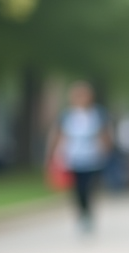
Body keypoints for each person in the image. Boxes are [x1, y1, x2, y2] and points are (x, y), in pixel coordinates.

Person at [47, 81, 111, 233]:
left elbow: (105, 134)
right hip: (73, 157)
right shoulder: (67, 115)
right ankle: (82, 214)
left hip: (93, 158)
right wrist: (52, 154)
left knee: (89, 188)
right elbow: (58, 135)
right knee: (77, 189)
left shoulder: (97, 114)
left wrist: (105, 150)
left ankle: (88, 213)